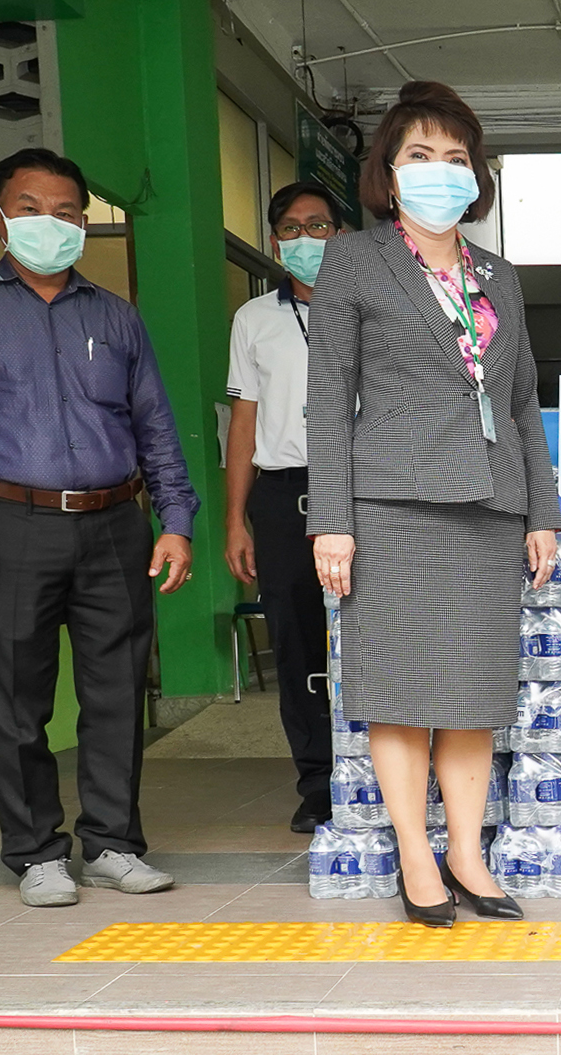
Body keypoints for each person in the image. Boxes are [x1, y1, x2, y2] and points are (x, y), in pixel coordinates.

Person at [306, 81, 560, 927]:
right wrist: (330, 520)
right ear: (388, 169)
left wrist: (541, 513)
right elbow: (327, 395)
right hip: (393, 506)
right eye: (421, 156)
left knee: (473, 693)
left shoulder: (499, 274)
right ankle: (416, 855)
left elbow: (522, 401)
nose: (440, 172)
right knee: (403, 689)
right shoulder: (355, 259)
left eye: (456, 158)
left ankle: (467, 852)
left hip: (488, 507)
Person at [0, 148, 198, 907]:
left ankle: (111, 841)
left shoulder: (114, 315)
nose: (52, 222)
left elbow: (157, 428)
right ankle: (36, 850)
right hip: (11, 520)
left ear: (85, 218)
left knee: (115, 691)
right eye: (32, 207)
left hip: (117, 524)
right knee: (17, 694)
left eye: (68, 211)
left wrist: (175, 520)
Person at [224, 181, 349, 834]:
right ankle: (319, 783)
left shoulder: (373, 308)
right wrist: (234, 519)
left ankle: (382, 775)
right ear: (276, 242)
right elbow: (243, 426)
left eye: (319, 226)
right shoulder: (253, 321)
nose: (306, 239)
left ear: (342, 234)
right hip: (282, 495)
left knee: (370, 635)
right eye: (293, 229)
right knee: (299, 642)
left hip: (362, 487)